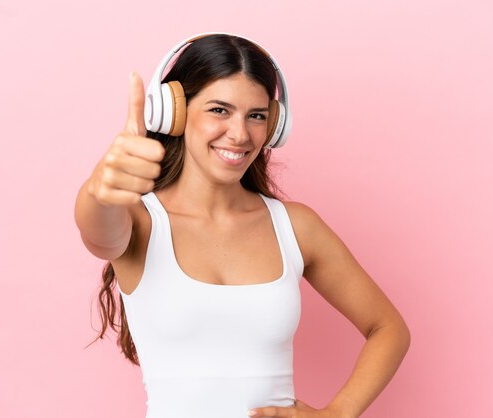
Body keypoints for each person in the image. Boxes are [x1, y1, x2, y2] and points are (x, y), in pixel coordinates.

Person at [74, 33, 410, 418]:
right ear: (175, 113)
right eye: (219, 110)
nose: (239, 134)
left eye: (256, 116)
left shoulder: (295, 227)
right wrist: (100, 188)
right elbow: (97, 229)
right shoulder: (138, 221)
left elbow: (389, 328)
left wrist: (337, 413)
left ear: (273, 126)